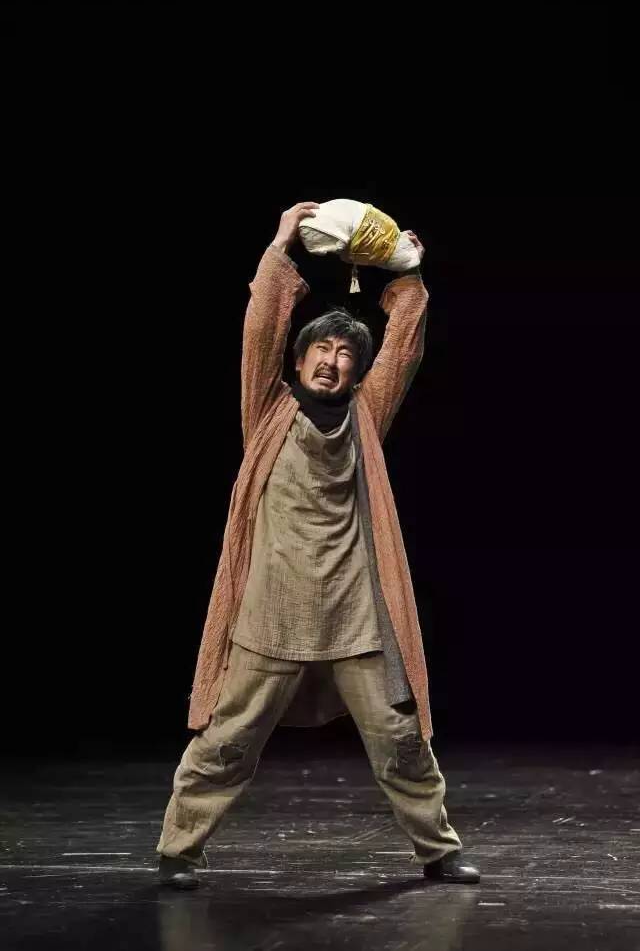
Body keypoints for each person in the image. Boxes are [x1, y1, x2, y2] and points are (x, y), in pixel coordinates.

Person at [156, 202, 480, 889]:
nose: (332, 362)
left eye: (345, 354)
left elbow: (403, 349)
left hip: (356, 611)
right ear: (299, 359)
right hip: (271, 611)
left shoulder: (366, 415)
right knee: (228, 738)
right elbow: (260, 330)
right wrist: (281, 248)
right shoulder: (267, 412)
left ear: (356, 371)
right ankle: (178, 850)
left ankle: (438, 850)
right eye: (321, 351)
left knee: (398, 737)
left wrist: (407, 273)